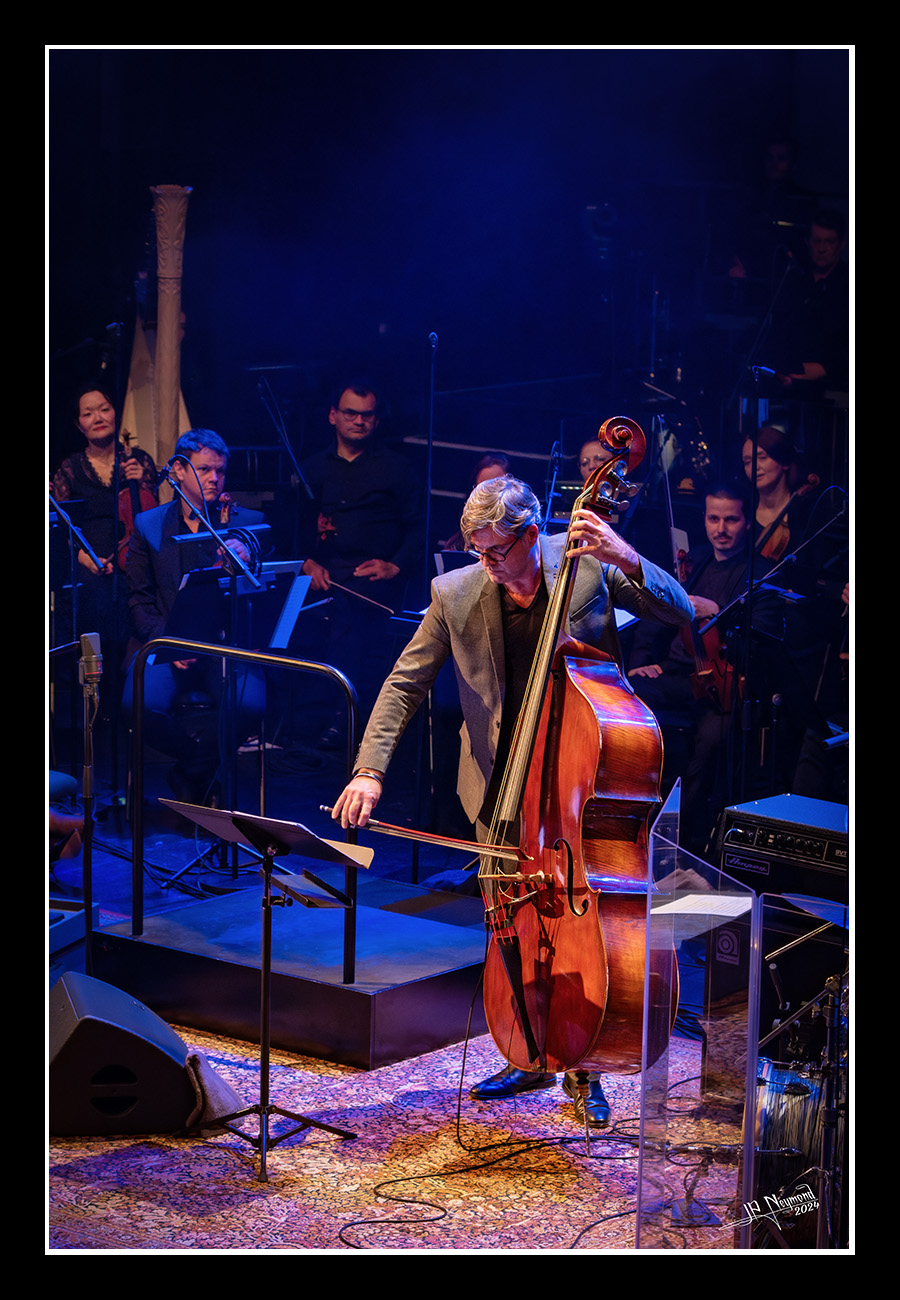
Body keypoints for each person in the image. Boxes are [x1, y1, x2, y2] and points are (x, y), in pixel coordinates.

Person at [331, 474, 693, 1128]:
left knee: (577, 924)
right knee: (513, 926)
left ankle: (583, 1063)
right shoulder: (455, 592)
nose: (488, 564)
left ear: (531, 534)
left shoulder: (585, 567)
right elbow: (403, 685)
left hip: (576, 776)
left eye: (497, 550)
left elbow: (680, 611)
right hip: (499, 785)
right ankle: (528, 1050)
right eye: (477, 551)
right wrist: (368, 771)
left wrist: (625, 555)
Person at [123, 428, 267, 803]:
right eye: (204, 470)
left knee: (251, 703)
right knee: (137, 704)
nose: (214, 478)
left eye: (220, 470)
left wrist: (248, 552)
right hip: (168, 642)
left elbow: (264, 578)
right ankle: (199, 765)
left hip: (223, 647)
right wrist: (169, 642)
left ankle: (192, 773)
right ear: (179, 471)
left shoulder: (246, 522)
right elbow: (139, 600)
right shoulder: (149, 525)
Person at [627, 482, 760, 854]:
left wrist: (716, 611)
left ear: (747, 522)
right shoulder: (693, 561)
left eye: (731, 520)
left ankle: (686, 841)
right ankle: (633, 822)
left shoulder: (757, 571)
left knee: (710, 744)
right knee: (628, 701)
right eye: (713, 518)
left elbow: (758, 635)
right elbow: (656, 613)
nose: (721, 528)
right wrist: (641, 664)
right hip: (675, 674)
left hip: (722, 685)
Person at [296, 381, 425, 737]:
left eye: (367, 415)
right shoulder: (311, 468)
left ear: (376, 420)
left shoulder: (397, 469)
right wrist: (306, 561)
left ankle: (344, 719)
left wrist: (394, 564)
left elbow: (419, 526)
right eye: (351, 413)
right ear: (333, 416)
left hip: (373, 577)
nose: (359, 421)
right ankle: (303, 721)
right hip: (324, 572)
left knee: (350, 618)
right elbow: (291, 527)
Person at [51, 382, 158, 652]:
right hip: (89, 562)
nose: (97, 418)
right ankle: (95, 666)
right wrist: (86, 558)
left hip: (134, 558)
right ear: (79, 425)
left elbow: (154, 516)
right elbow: (62, 527)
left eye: (104, 409)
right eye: (88, 414)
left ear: (115, 413)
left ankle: (138, 662)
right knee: (93, 596)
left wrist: (143, 483)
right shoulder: (70, 469)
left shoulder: (138, 460)